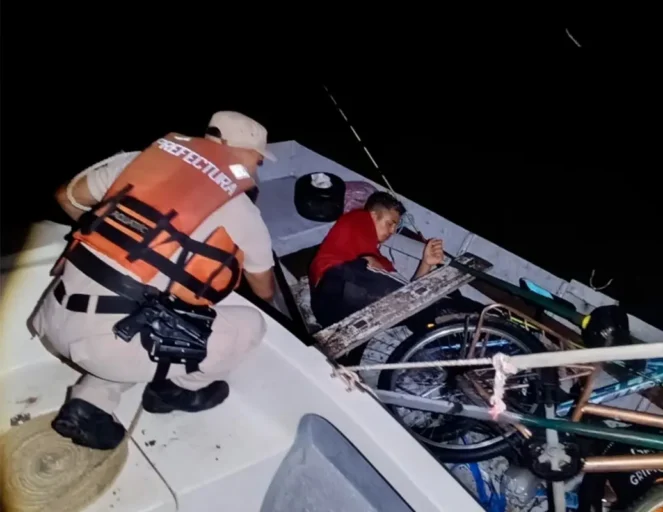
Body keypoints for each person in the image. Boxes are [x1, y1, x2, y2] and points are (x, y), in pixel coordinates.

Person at [31, 111, 278, 450]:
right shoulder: (242, 209)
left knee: (148, 313)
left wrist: (115, 239)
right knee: (250, 325)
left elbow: (66, 197)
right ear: (243, 152)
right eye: (259, 159)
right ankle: (174, 389)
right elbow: (264, 290)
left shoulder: (138, 161)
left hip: (51, 315)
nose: (258, 167)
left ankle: (91, 405)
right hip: (103, 344)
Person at [309, 191, 445, 329]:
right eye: (390, 224)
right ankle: (438, 315)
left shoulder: (375, 254)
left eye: (395, 227)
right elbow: (406, 292)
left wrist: (426, 263)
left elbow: (406, 292)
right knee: (370, 264)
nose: (393, 231)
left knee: (413, 308)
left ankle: (434, 328)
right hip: (335, 284)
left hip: (330, 313)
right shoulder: (360, 218)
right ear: (373, 215)